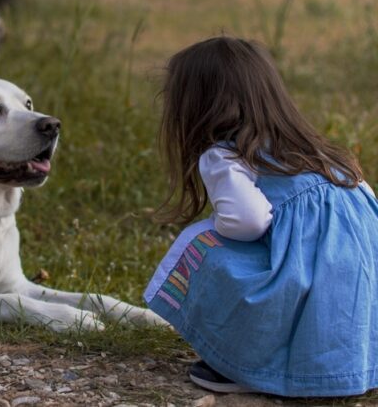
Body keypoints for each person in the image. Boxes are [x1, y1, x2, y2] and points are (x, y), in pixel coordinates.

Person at [143, 36, 378, 397]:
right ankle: (348, 363)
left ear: (197, 107)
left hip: (304, 280)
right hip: (356, 287)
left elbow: (248, 221)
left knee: (203, 244)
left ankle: (248, 364)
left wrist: (217, 228)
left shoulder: (225, 155)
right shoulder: (316, 152)